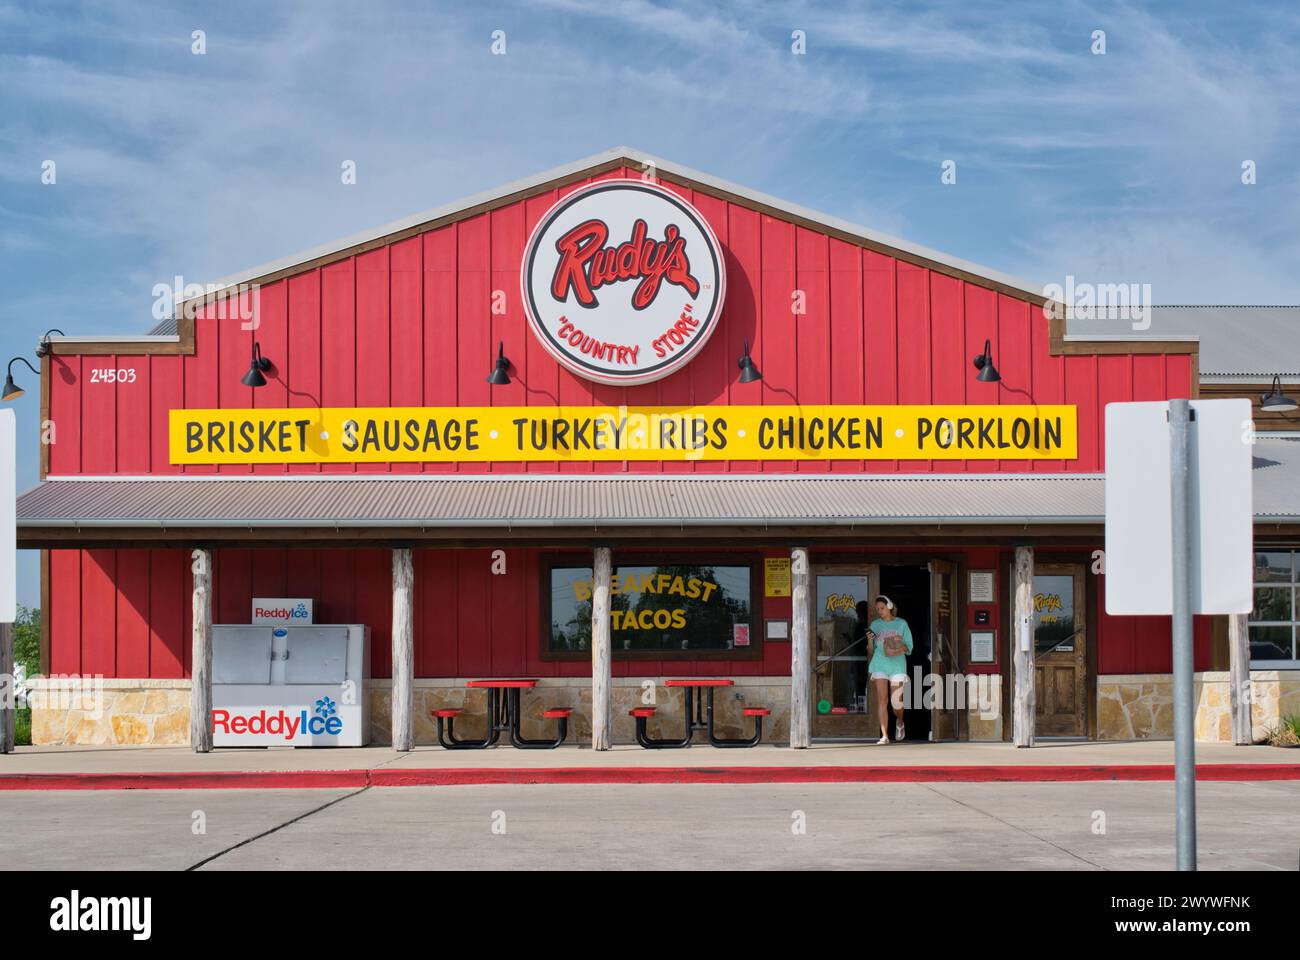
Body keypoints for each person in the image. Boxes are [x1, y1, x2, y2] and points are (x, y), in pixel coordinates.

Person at [866, 594, 913, 745]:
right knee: (882, 701)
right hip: (879, 663)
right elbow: (871, 651)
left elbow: (909, 648)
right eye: (877, 609)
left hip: (897, 665)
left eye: (882, 608)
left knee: (896, 702)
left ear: (890, 607)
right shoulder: (875, 625)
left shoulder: (901, 624)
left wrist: (900, 642)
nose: (880, 611)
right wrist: (869, 640)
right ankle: (884, 735)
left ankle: (900, 721)